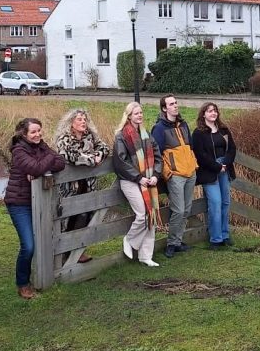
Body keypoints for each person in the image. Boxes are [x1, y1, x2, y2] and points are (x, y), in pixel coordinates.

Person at [4, 117, 66, 299]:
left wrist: (41, 168)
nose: (38, 134)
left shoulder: (41, 146)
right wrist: (44, 164)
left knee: (45, 238)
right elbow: (38, 166)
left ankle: (43, 273)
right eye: (33, 132)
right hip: (19, 203)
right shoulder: (18, 150)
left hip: (38, 202)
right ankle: (23, 283)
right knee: (28, 246)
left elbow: (60, 162)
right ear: (24, 134)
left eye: (39, 130)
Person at [54, 108, 111, 263]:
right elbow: (72, 157)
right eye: (79, 119)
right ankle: (63, 253)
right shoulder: (64, 139)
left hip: (88, 185)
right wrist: (92, 160)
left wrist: (98, 154)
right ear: (71, 123)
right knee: (68, 219)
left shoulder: (90, 136)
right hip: (70, 188)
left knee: (84, 217)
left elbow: (104, 147)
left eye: (85, 119)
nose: (83, 122)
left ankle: (78, 250)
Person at [113, 101, 163, 267]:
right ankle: (130, 239)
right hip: (130, 181)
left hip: (148, 180)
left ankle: (145, 255)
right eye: (136, 113)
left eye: (141, 112)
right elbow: (121, 161)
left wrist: (156, 174)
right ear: (129, 116)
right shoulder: (121, 135)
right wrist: (138, 177)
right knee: (142, 213)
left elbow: (157, 155)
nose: (140, 115)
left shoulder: (146, 134)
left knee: (151, 215)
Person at [152, 94, 199, 258]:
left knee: (186, 209)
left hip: (190, 173)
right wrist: (168, 173)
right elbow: (156, 153)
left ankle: (178, 241)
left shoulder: (183, 124)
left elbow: (190, 147)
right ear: (164, 108)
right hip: (175, 175)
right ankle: (171, 243)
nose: (175, 106)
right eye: (171, 104)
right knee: (178, 210)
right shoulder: (159, 128)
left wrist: (194, 165)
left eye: (176, 103)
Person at [191, 102, 236, 250]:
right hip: (209, 171)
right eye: (210, 111)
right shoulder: (198, 133)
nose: (213, 113)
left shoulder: (223, 129)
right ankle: (215, 239)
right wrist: (217, 167)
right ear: (203, 114)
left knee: (225, 203)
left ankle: (225, 235)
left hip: (225, 169)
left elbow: (232, 149)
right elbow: (200, 155)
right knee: (215, 203)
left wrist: (226, 164)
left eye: (215, 111)